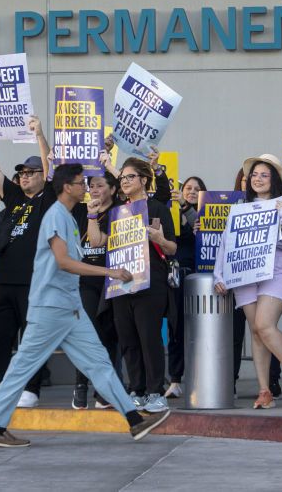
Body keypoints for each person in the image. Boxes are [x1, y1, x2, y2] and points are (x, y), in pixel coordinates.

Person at [0, 163, 169, 447]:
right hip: (50, 308)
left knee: (99, 363)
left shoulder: (69, 217)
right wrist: (111, 272)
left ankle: (134, 420)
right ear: (68, 187)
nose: (87, 187)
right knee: (23, 366)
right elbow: (64, 262)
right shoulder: (56, 215)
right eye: (82, 183)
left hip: (70, 308)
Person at [213, 154, 282, 409]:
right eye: (254, 175)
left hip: (275, 273)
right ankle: (264, 391)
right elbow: (226, 244)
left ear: (274, 180)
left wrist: (270, 231)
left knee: (265, 325)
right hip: (245, 274)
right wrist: (219, 274)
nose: (258, 179)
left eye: (264, 175)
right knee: (256, 332)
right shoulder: (239, 209)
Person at [0, 116, 52, 409]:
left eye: (32, 172)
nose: (26, 176)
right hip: (4, 280)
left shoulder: (49, 200)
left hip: (32, 281)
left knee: (30, 338)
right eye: (23, 173)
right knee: (0, 336)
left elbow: (51, 168)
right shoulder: (16, 198)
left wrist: (39, 135)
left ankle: (30, 389)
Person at [104, 157, 177, 413]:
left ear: (143, 180)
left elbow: (172, 247)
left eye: (129, 177)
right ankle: (136, 389)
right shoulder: (117, 209)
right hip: (121, 282)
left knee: (149, 337)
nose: (123, 181)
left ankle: (155, 391)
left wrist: (159, 238)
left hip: (150, 281)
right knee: (128, 337)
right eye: (121, 178)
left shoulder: (157, 208)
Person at [72, 171, 124, 410]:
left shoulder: (122, 211)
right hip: (87, 281)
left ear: (112, 189)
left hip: (113, 280)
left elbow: (98, 241)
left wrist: (107, 163)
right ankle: (80, 385)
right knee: (86, 335)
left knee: (110, 335)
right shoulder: (82, 211)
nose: (93, 189)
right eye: (90, 185)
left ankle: (105, 392)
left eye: (100, 185)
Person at [164, 175, 205, 400]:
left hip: (201, 279)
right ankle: (175, 379)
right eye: (187, 188)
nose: (191, 191)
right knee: (176, 329)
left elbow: (195, 222)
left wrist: (185, 206)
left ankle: (201, 378)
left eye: (196, 189)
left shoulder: (202, 214)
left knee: (201, 331)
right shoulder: (172, 211)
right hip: (176, 278)